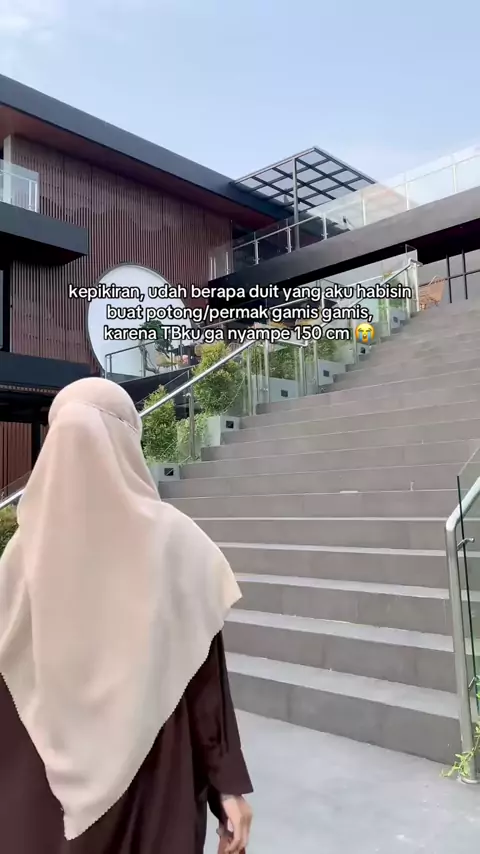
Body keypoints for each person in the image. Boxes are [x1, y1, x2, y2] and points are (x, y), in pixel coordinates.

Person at [0, 377, 253, 854]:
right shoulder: (178, 544)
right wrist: (228, 787)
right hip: (154, 788)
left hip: (35, 803)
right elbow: (205, 684)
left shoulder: (20, 557)